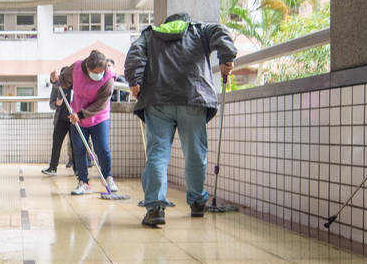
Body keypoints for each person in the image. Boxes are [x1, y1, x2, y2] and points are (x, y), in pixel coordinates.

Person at [125, 13, 236, 227]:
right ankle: (197, 202)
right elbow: (221, 31)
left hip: (158, 101)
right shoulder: (200, 30)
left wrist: (134, 80)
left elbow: (134, 54)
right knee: (195, 153)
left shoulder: (150, 35)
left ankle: (155, 208)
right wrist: (226, 57)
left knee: (157, 153)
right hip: (193, 98)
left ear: (166, 24)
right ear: (187, 21)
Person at [67, 51, 116, 195]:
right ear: (87, 67)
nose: (98, 75)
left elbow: (101, 104)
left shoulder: (108, 77)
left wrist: (80, 114)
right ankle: (83, 182)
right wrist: (56, 80)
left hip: (98, 117)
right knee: (79, 150)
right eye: (95, 72)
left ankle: (108, 177)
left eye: (101, 72)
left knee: (102, 149)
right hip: (77, 117)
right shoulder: (77, 67)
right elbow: (64, 79)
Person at [42, 67, 75, 175]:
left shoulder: (75, 87)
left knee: (75, 145)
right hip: (60, 120)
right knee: (56, 144)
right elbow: (51, 104)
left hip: (73, 119)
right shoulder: (56, 88)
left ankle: (77, 169)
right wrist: (56, 104)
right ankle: (52, 168)